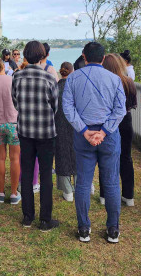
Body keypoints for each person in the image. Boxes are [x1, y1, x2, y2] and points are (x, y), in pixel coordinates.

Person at [62, 42, 127, 244]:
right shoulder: (115, 79)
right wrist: (104, 131)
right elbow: (120, 110)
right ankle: (113, 229)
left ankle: (84, 228)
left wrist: (84, 130)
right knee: (111, 183)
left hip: (84, 135)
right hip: (109, 136)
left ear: (84, 56)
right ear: (104, 57)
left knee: (83, 182)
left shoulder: (72, 78)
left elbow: (68, 107)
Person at [12, 41, 59, 231]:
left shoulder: (17, 76)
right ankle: (45, 219)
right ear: (42, 56)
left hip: (25, 131)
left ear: (24, 56)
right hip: (46, 132)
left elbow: (16, 102)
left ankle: (27, 216)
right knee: (46, 174)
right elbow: (55, 106)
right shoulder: (48, 78)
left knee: (27, 171)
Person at [100, 54, 137, 207]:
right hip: (125, 121)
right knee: (126, 158)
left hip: (107, 122)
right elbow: (132, 103)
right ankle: (128, 195)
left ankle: (104, 194)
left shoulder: (103, 82)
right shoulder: (128, 82)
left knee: (106, 158)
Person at [0, 56, 21, 205]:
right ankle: (13, 193)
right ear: (4, 66)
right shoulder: (12, 80)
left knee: (0, 158)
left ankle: (1, 192)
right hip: (13, 122)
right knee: (15, 159)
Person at [54, 62, 77, 202]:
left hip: (58, 125)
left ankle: (67, 191)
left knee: (62, 155)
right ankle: (80, 185)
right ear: (72, 71)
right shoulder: (75, 88)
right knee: (77, 155)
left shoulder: (55, 87)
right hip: (75, 125)